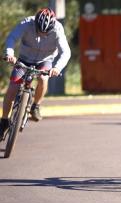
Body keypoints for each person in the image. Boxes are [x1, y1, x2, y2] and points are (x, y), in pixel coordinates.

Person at [0, 8, 71, 138]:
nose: (42, 34)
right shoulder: (27, 22)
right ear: (35, 23)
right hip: (24, 60)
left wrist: (57, 68)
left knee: (43, 79)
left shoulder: (58, 29)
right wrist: (9, 54)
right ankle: (4, 120)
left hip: (44, 61)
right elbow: (12, 37)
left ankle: (35, 106)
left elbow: (66, 52)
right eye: (39, 30)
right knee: (12, 88)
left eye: (46, 32)